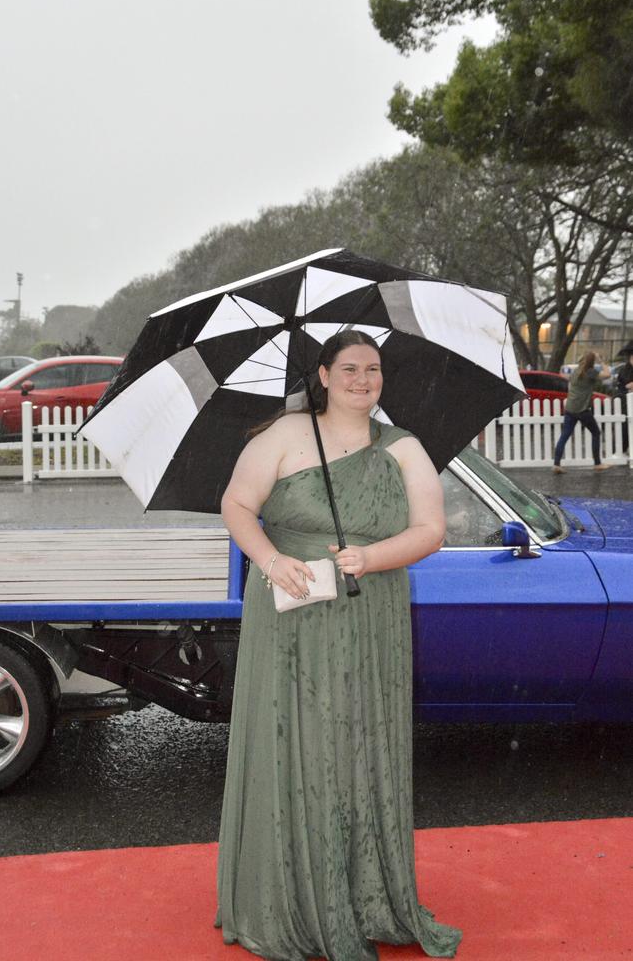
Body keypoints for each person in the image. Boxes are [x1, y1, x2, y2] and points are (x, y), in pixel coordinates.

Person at [215, 330, 462, 960]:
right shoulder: (282, 435)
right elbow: (238, 505)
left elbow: (430, 529)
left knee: (359, 745)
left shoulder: (404, 446)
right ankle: (288, 897)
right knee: (291, 741)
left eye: (372, 370)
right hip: (291, 610)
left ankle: (364, 895)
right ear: (323, 375)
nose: (362, 379)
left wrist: (371, 556)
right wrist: (269, 559)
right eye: (348, 368)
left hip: (370, 614)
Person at [553, 351, 611, 473]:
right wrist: (601, 361)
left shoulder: (576, 371)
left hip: (570, 408)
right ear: (592, 362)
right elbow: (607, 374)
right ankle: (597, 463)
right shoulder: (590, 372)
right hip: (582, 409)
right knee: (596, 433)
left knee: (565, 435)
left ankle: (556, 464)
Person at [615, 340, 633, 454]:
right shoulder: (624, 370)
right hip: (626, 404)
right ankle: (620, 449)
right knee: (624, 428)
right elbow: (621, 386)